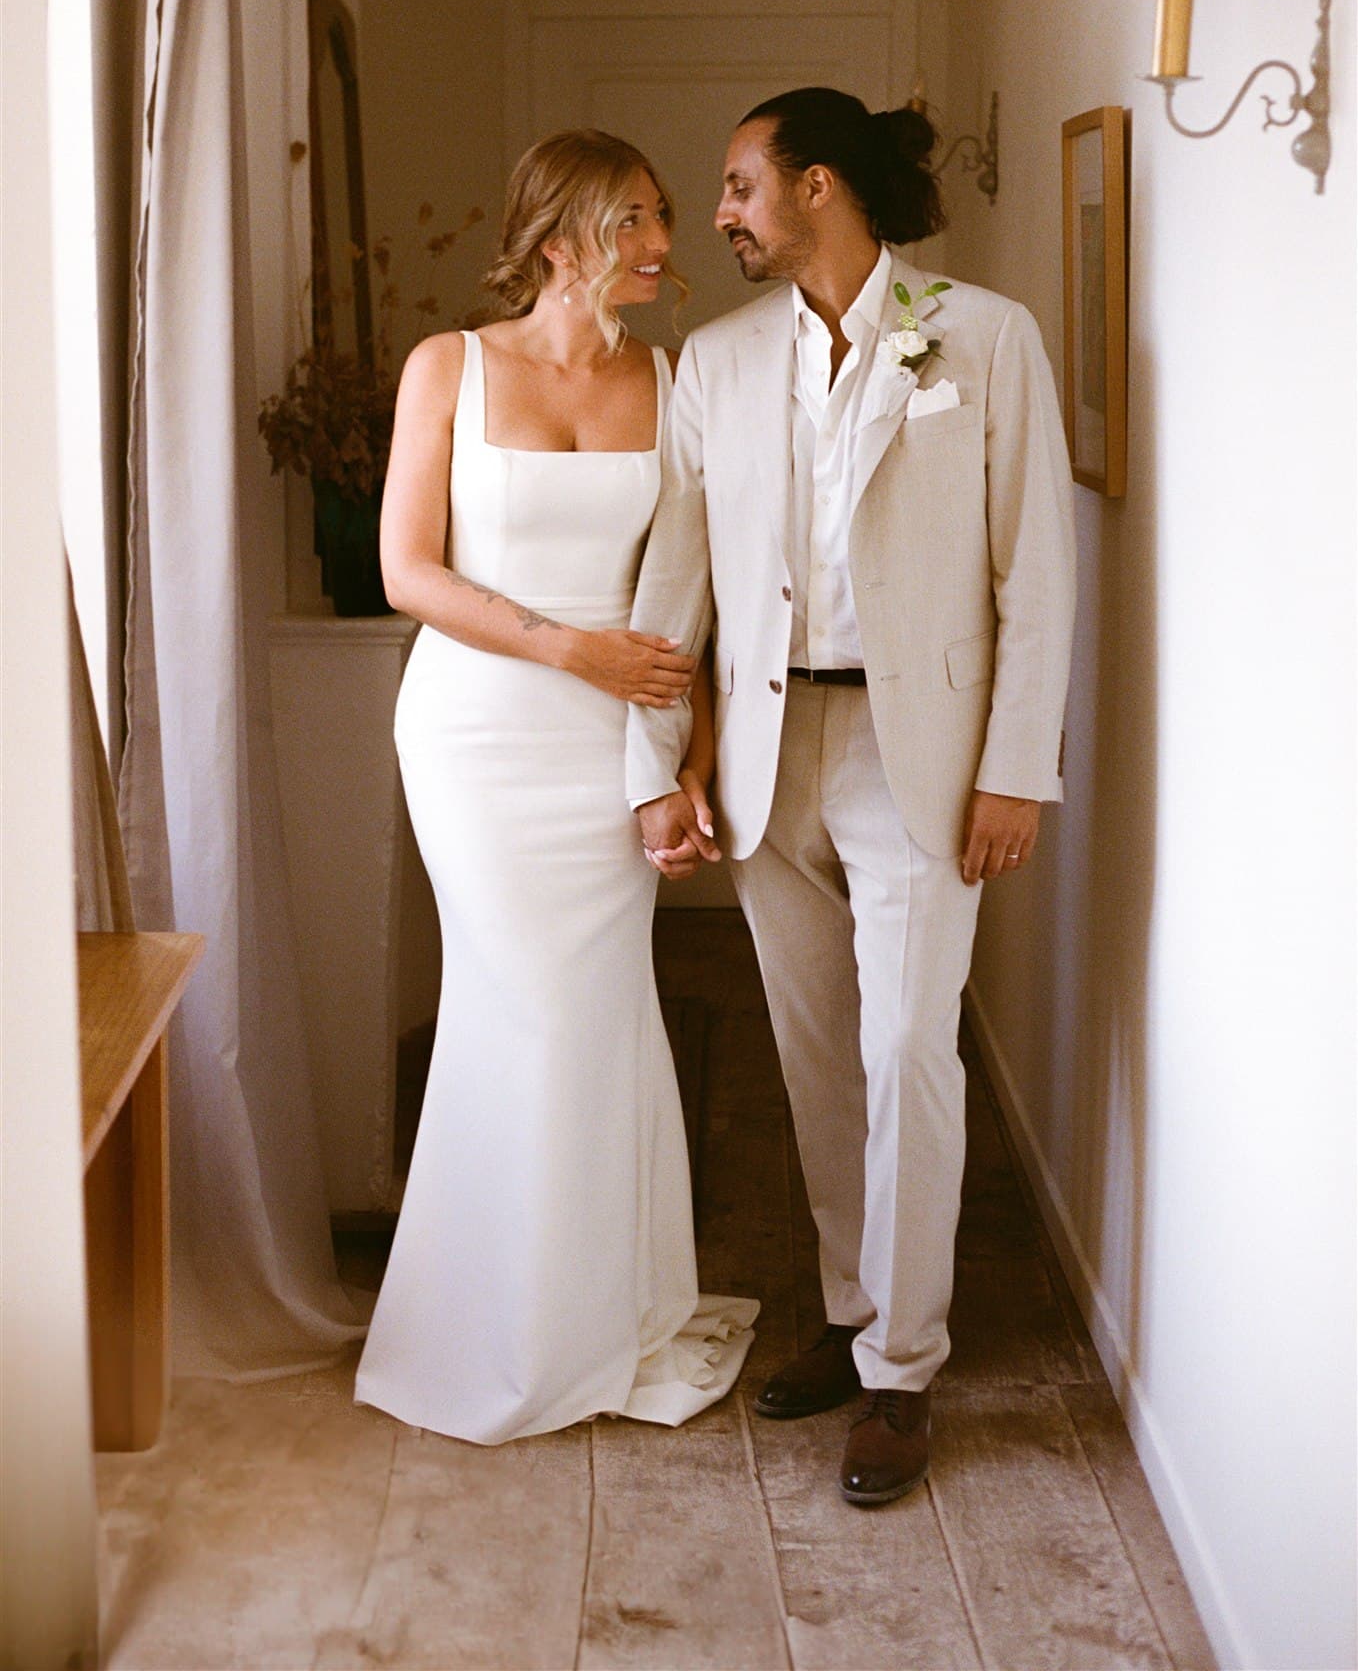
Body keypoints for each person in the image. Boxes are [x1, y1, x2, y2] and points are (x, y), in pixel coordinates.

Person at [627, 87, 1076, 1504]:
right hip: (769, 752)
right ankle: (848, 1307)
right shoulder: (712, 359)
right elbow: (678, 580)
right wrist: (660, 769)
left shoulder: (981, 334)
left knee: (905, 1054)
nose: (719, 214)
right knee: (816, 1055)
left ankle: (902, 1368)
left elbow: (1036, 577)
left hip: (918, 755)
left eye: (737, 184)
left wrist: (1014, 768)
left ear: (816, 185)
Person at [355, 129, 757, 1445]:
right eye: (635, 218)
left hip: (618, 742)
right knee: (516, 1006)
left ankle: (611, 1317)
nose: (662, 242)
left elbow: (690, 598)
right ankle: (489, 1330)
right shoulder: (449, 368)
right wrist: (566, 648)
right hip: (480, 734)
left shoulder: (672, 378)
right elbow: (406, 572)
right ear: (558, 235)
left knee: (597, 1013)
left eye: (657, 215)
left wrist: (682, 764)